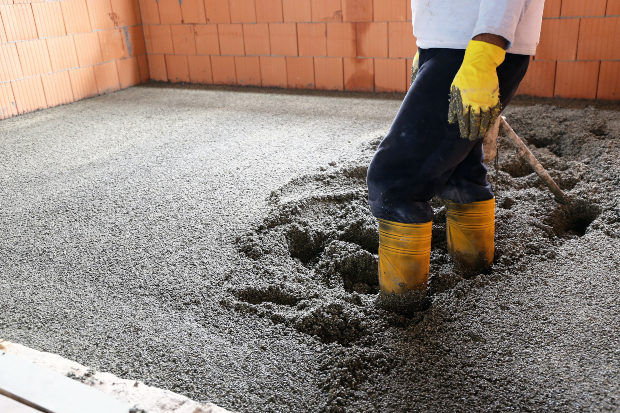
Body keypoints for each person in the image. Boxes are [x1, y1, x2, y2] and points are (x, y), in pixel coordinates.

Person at [367, 0, 546, 313]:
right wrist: (428, 47)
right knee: (461, 168)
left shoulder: (478, 52)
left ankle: (401, 309)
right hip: (456, 47)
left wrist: (483, 55)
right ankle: (474, 267)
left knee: (395, 180)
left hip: (472, 49)